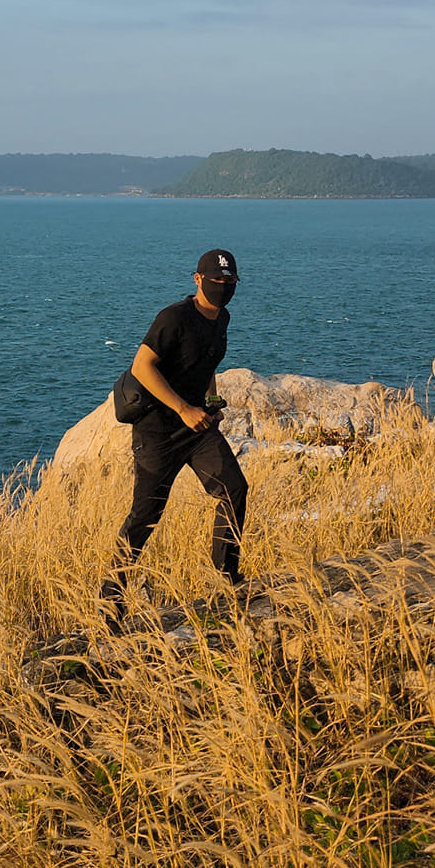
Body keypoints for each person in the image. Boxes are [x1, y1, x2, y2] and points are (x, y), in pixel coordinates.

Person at [99, 249, 248, 629]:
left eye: (229, 283)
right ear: (197, 280)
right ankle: (110, 602)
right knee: (145, 517)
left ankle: (226, 578)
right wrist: (183, 408)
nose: (222, 289)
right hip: (158, 431)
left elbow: (208, 364)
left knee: (233, 489)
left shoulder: (222, 319)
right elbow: (142, 367)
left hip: (198, 429)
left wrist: (211, 403)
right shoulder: (174, 318)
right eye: (216, 282)